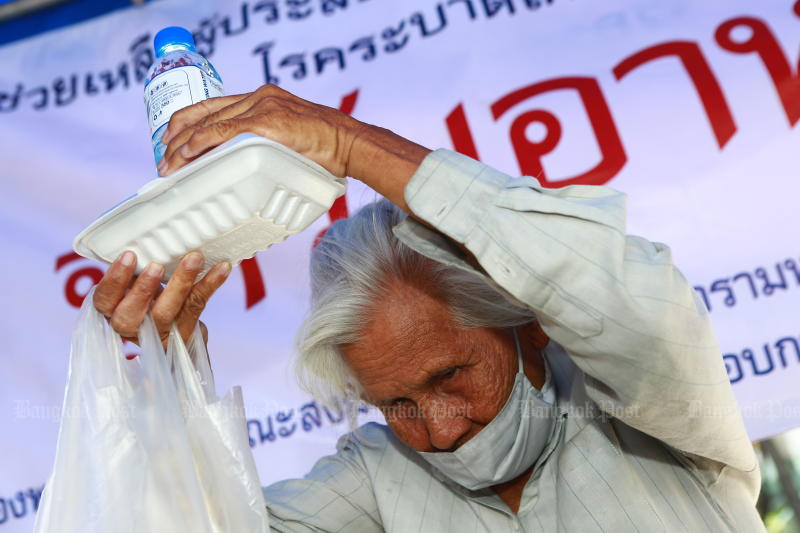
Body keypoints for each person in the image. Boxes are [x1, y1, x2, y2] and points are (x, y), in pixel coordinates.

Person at [92, 85, 765, 531]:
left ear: (526, 322)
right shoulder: (379, 475)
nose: (440, 430)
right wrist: (160, 376)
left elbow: (620, 293)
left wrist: (348, 144)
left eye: (451, 376)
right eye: (397, 404)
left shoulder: (646, 411)